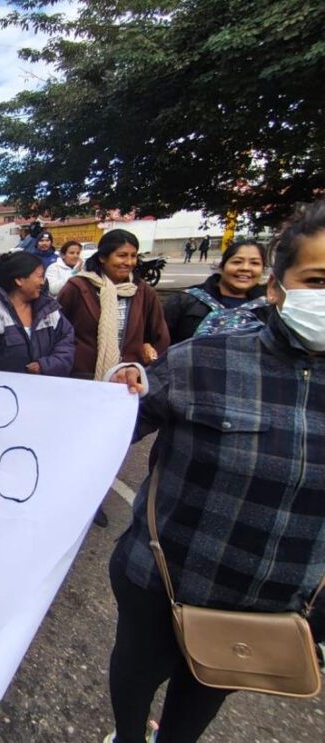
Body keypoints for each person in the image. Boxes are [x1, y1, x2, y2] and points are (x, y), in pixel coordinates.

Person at [102, 200, 325, 743]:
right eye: (317, 278)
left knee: (205, 689)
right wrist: (113, 398)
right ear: (279, 288)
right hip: (163, 579)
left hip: (272, 603)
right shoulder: (203, 361)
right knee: (135, 673)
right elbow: (102, 435)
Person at [57, 229, 170, 528]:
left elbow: (158, 336)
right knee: (76, 445)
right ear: (104, 257)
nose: (129, 262)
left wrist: (148, 351)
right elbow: (57, 330)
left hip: (122, 387)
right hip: (82, 381)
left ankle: (93, 500)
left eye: (133, 256)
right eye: (122, 255)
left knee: (107, 447)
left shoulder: (143, 292)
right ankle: (66, 499)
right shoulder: (78, 287)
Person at [0, 251, 75, 376]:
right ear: (19, 280)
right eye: (39, 276)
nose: (43, 282)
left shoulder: (49, 309)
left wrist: (45, 366)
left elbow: (66, 346)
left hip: (44, 391)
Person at [163, 239, 267, 344]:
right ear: (222, 266)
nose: (245, 268)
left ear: (263, 270)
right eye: (237, 262)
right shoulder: (185, 301)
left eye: (255, 263)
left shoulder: (270, 308)